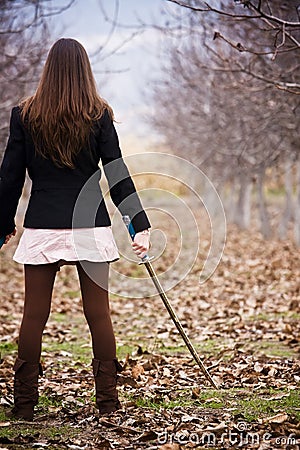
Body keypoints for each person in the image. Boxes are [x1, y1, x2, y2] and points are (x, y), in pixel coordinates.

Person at [0, 38, 151, 421]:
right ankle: (108, 405)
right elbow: (116, 173)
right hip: (90, 225)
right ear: (85, 70)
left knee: (34, 315)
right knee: (98, 315)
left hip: (43, 224)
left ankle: (23, 407)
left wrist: (1, 224)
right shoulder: (98, 115)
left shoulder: (24, 115)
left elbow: (10, 178)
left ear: (48, 69)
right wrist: (138, 225)